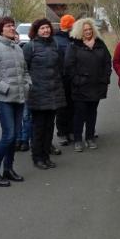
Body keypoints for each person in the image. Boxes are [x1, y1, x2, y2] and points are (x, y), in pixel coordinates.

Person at [0, 16, 31, 187]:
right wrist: (6, 88)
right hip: (3, 99)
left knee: (14, 136)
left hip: (19, 97)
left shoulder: (17, 48)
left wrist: (27, 85)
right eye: (8, 26)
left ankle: (8, 169)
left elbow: (25, 71)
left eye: (13, 25)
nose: (12, 28)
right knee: (8, 135)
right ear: (0, 30)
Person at [23, 18, 67, 170]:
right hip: (37, 93)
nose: (46, 30)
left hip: (54, 92)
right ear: (36, 31)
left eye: (47, 28)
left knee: (49, 127)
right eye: (42, 28)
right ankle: (37, 157)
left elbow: (61, 67)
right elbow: (24, 69)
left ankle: (46, 156)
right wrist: (30, 86)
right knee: (39, 128)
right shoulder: (30, 47)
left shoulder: (55, 45)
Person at [64, 17, 112, 152]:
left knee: (92, 113)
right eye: (85, 30)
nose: (88, 32)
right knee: (79, 114)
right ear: (80, 31)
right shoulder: (74, 46)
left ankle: (90, 137)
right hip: (80, 87)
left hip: (97, 86)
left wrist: (105, 78)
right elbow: (69, 66)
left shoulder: (100, 44)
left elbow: (107, 62)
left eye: (90, 29)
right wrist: (78, 80)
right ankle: (78, 139)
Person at [54, 14, 76, 146]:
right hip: (62, 79)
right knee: (62, 107)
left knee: (72, 106)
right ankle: (62, 133)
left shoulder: (73, 38)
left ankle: (71, 130)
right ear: (70, 26)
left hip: (72, 78)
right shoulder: (57, 40)